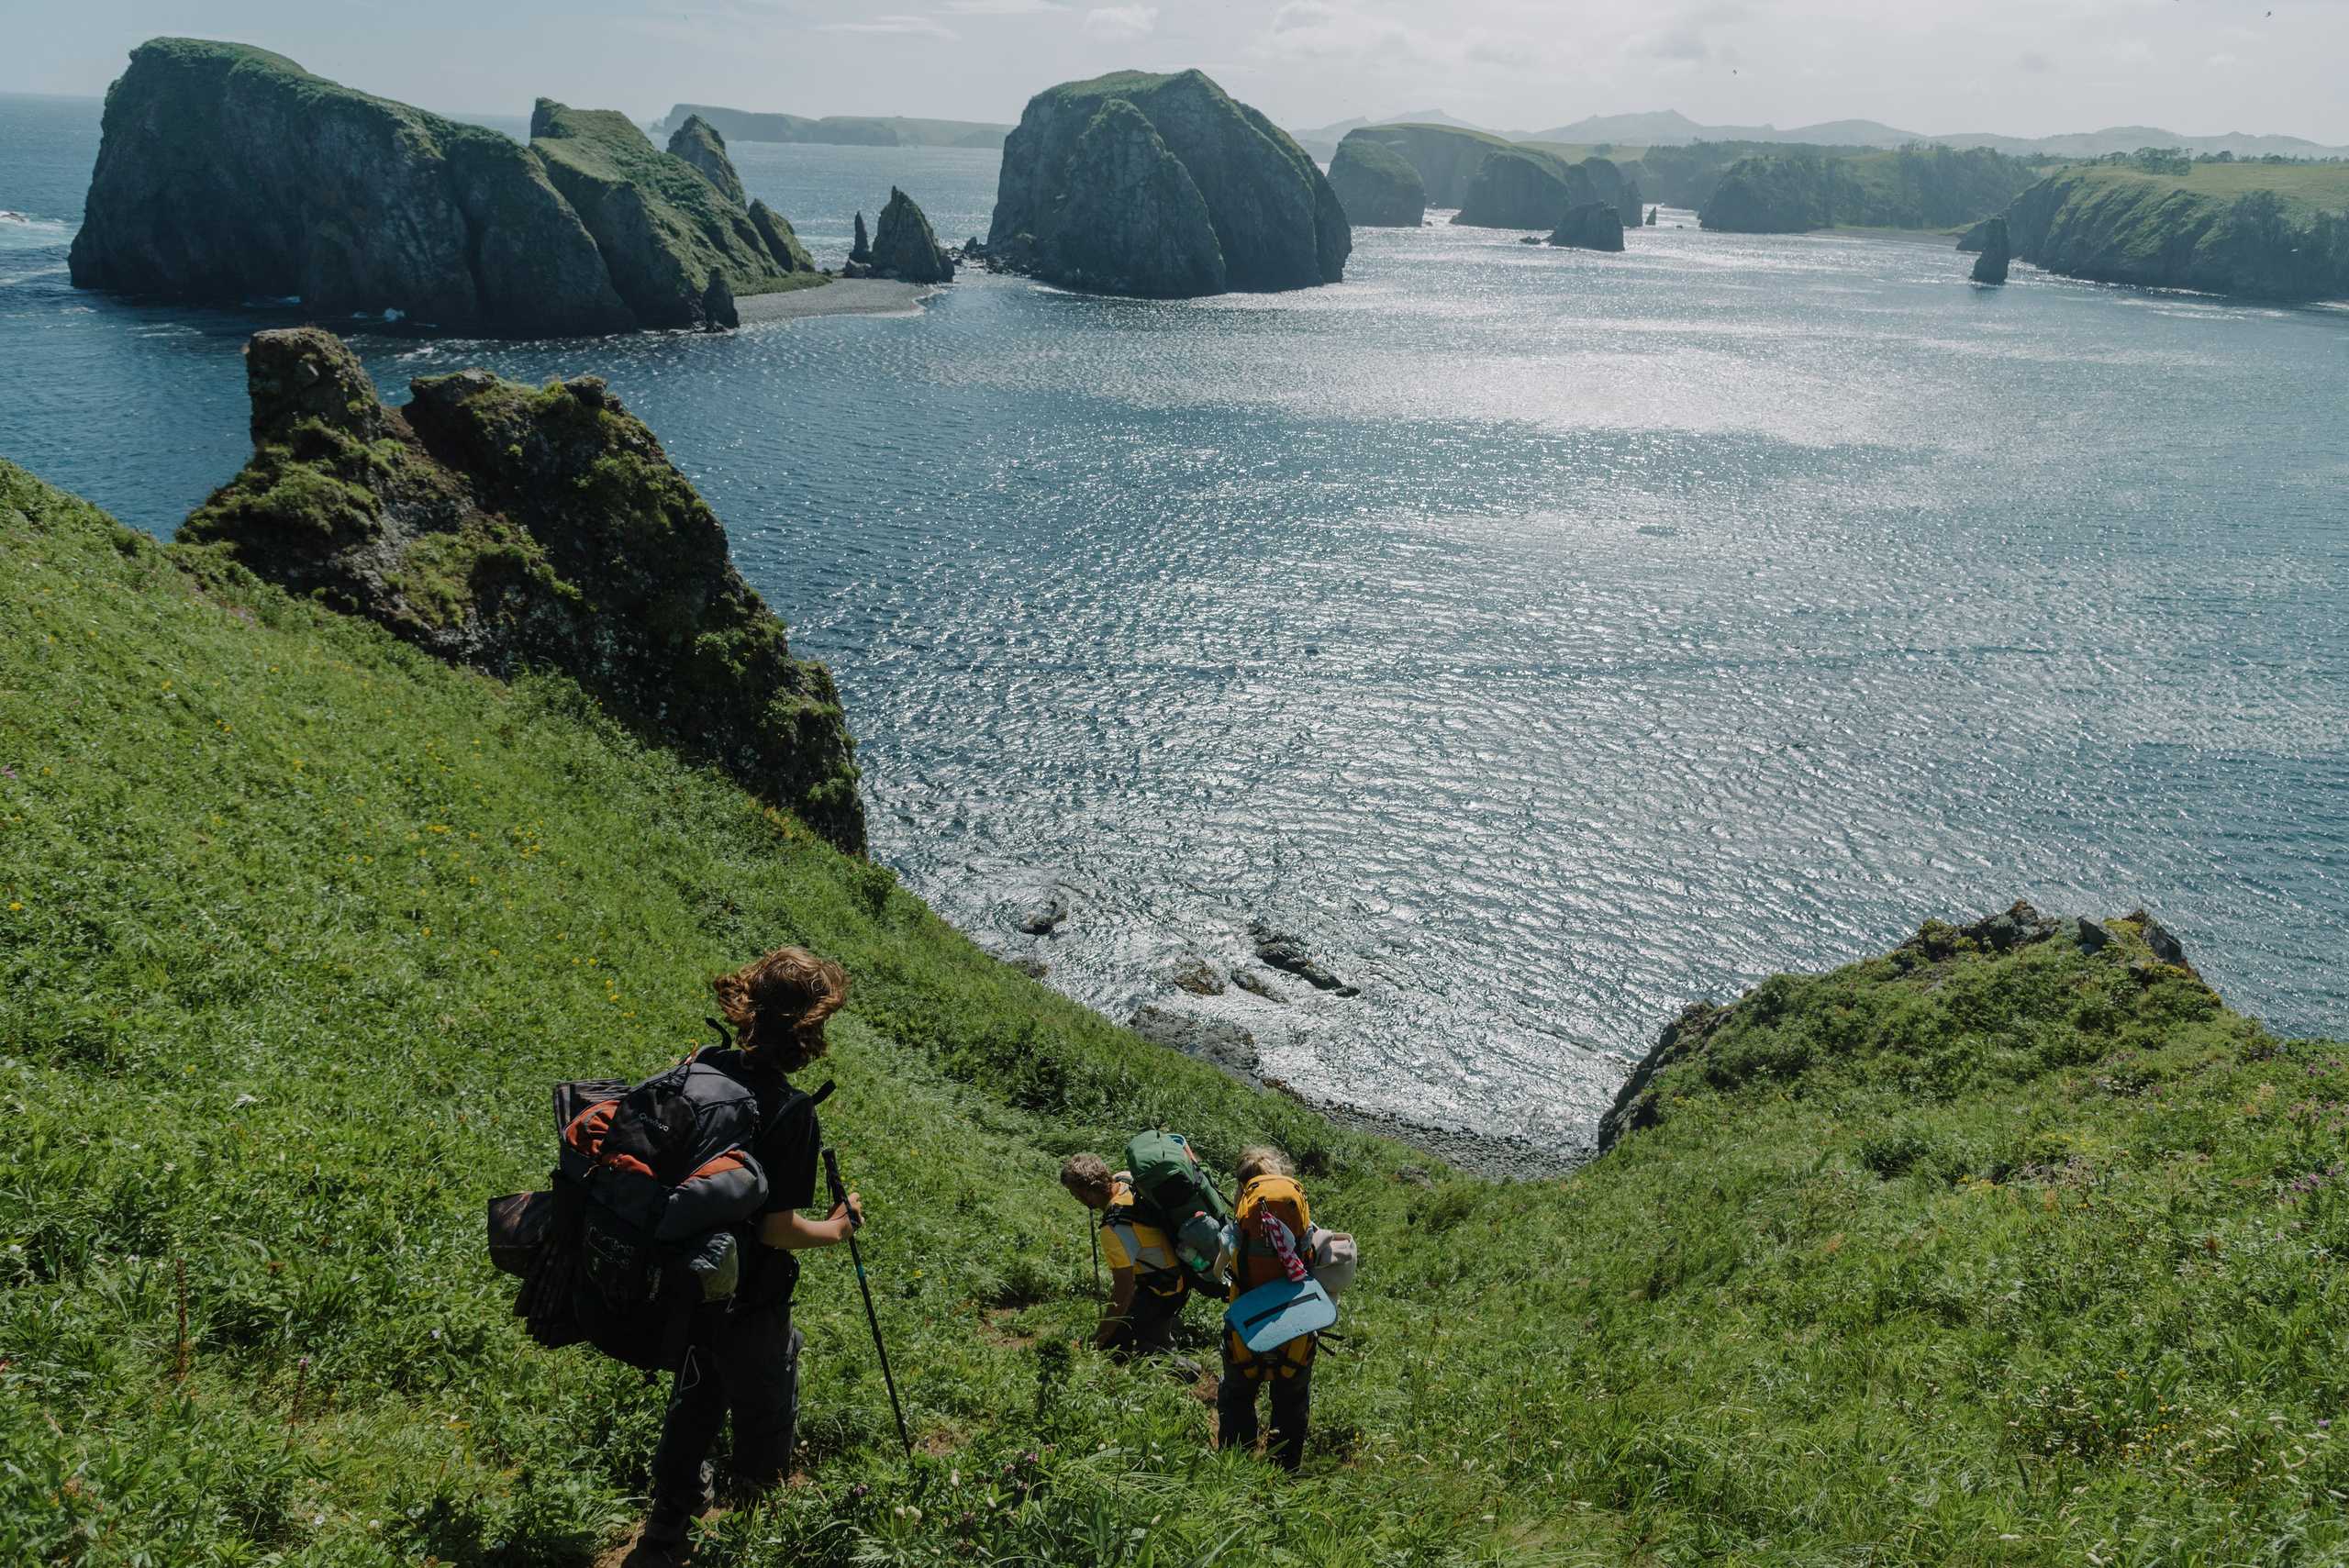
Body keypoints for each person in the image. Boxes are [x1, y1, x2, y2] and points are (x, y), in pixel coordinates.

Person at [641, 947, 863, 1555]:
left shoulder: (701, 1065)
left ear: (747, 1006)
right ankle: (757, 1504)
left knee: (697, 1386)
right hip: (749, 1296)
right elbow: (775, 1229)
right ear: (810, 1028)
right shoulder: (790, 1111)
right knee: (767, 1395)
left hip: (683, 1279)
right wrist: (837, 1228)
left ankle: (671, 1508)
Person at [1219, 1147, 1317, 1473]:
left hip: (1244, 1331)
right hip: (1295, 1332)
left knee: (1236, 1394)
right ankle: (1283, 1470)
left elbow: (1216, 1272)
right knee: (1291, 1401)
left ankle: (1235, 1466)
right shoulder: (1303, 1224)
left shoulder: (1233, 1231)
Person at [1059, 1152, 1196, 1366]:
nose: (1075, 1199)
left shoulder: (1115, 1228)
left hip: (1161, 1290)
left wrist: (1099, 1340)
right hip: (1176, 1275)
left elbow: (1124, 1292)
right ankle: (1170, 1365)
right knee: (1152, 1330)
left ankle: (1184, 1370)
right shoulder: (1126, 1179)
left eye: (1074, 1194)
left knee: (1115, 1343)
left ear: (1086, 1194)